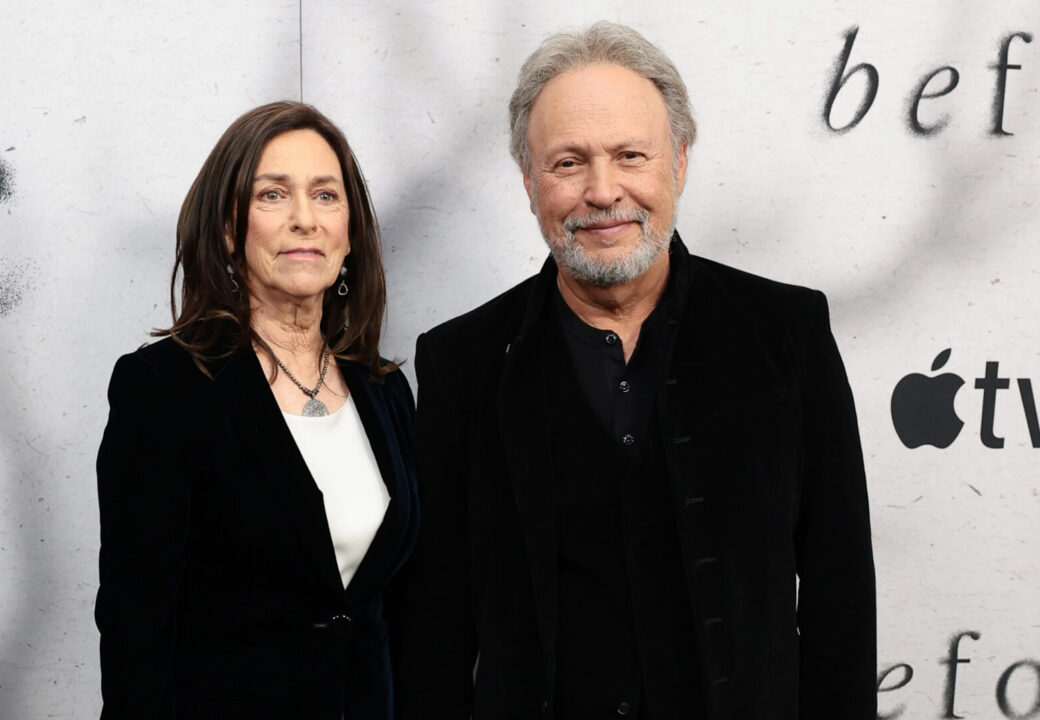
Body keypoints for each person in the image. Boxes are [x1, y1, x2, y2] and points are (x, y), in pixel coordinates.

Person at [387, 21, 876, 720]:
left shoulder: (785, 334)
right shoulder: (460, 362)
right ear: (529, 181)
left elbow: (840, 597)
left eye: (630, 155)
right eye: (567, 163)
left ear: (678, 161)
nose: (602, 191)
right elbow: (434, 626)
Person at [95, 101, 418, 719]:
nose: (304, 219)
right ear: (227, 228)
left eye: (326, 196)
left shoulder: (384, 390)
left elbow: (397, 606)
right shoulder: (164, 388)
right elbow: (136, 621)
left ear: (350, 233)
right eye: (273, 195)